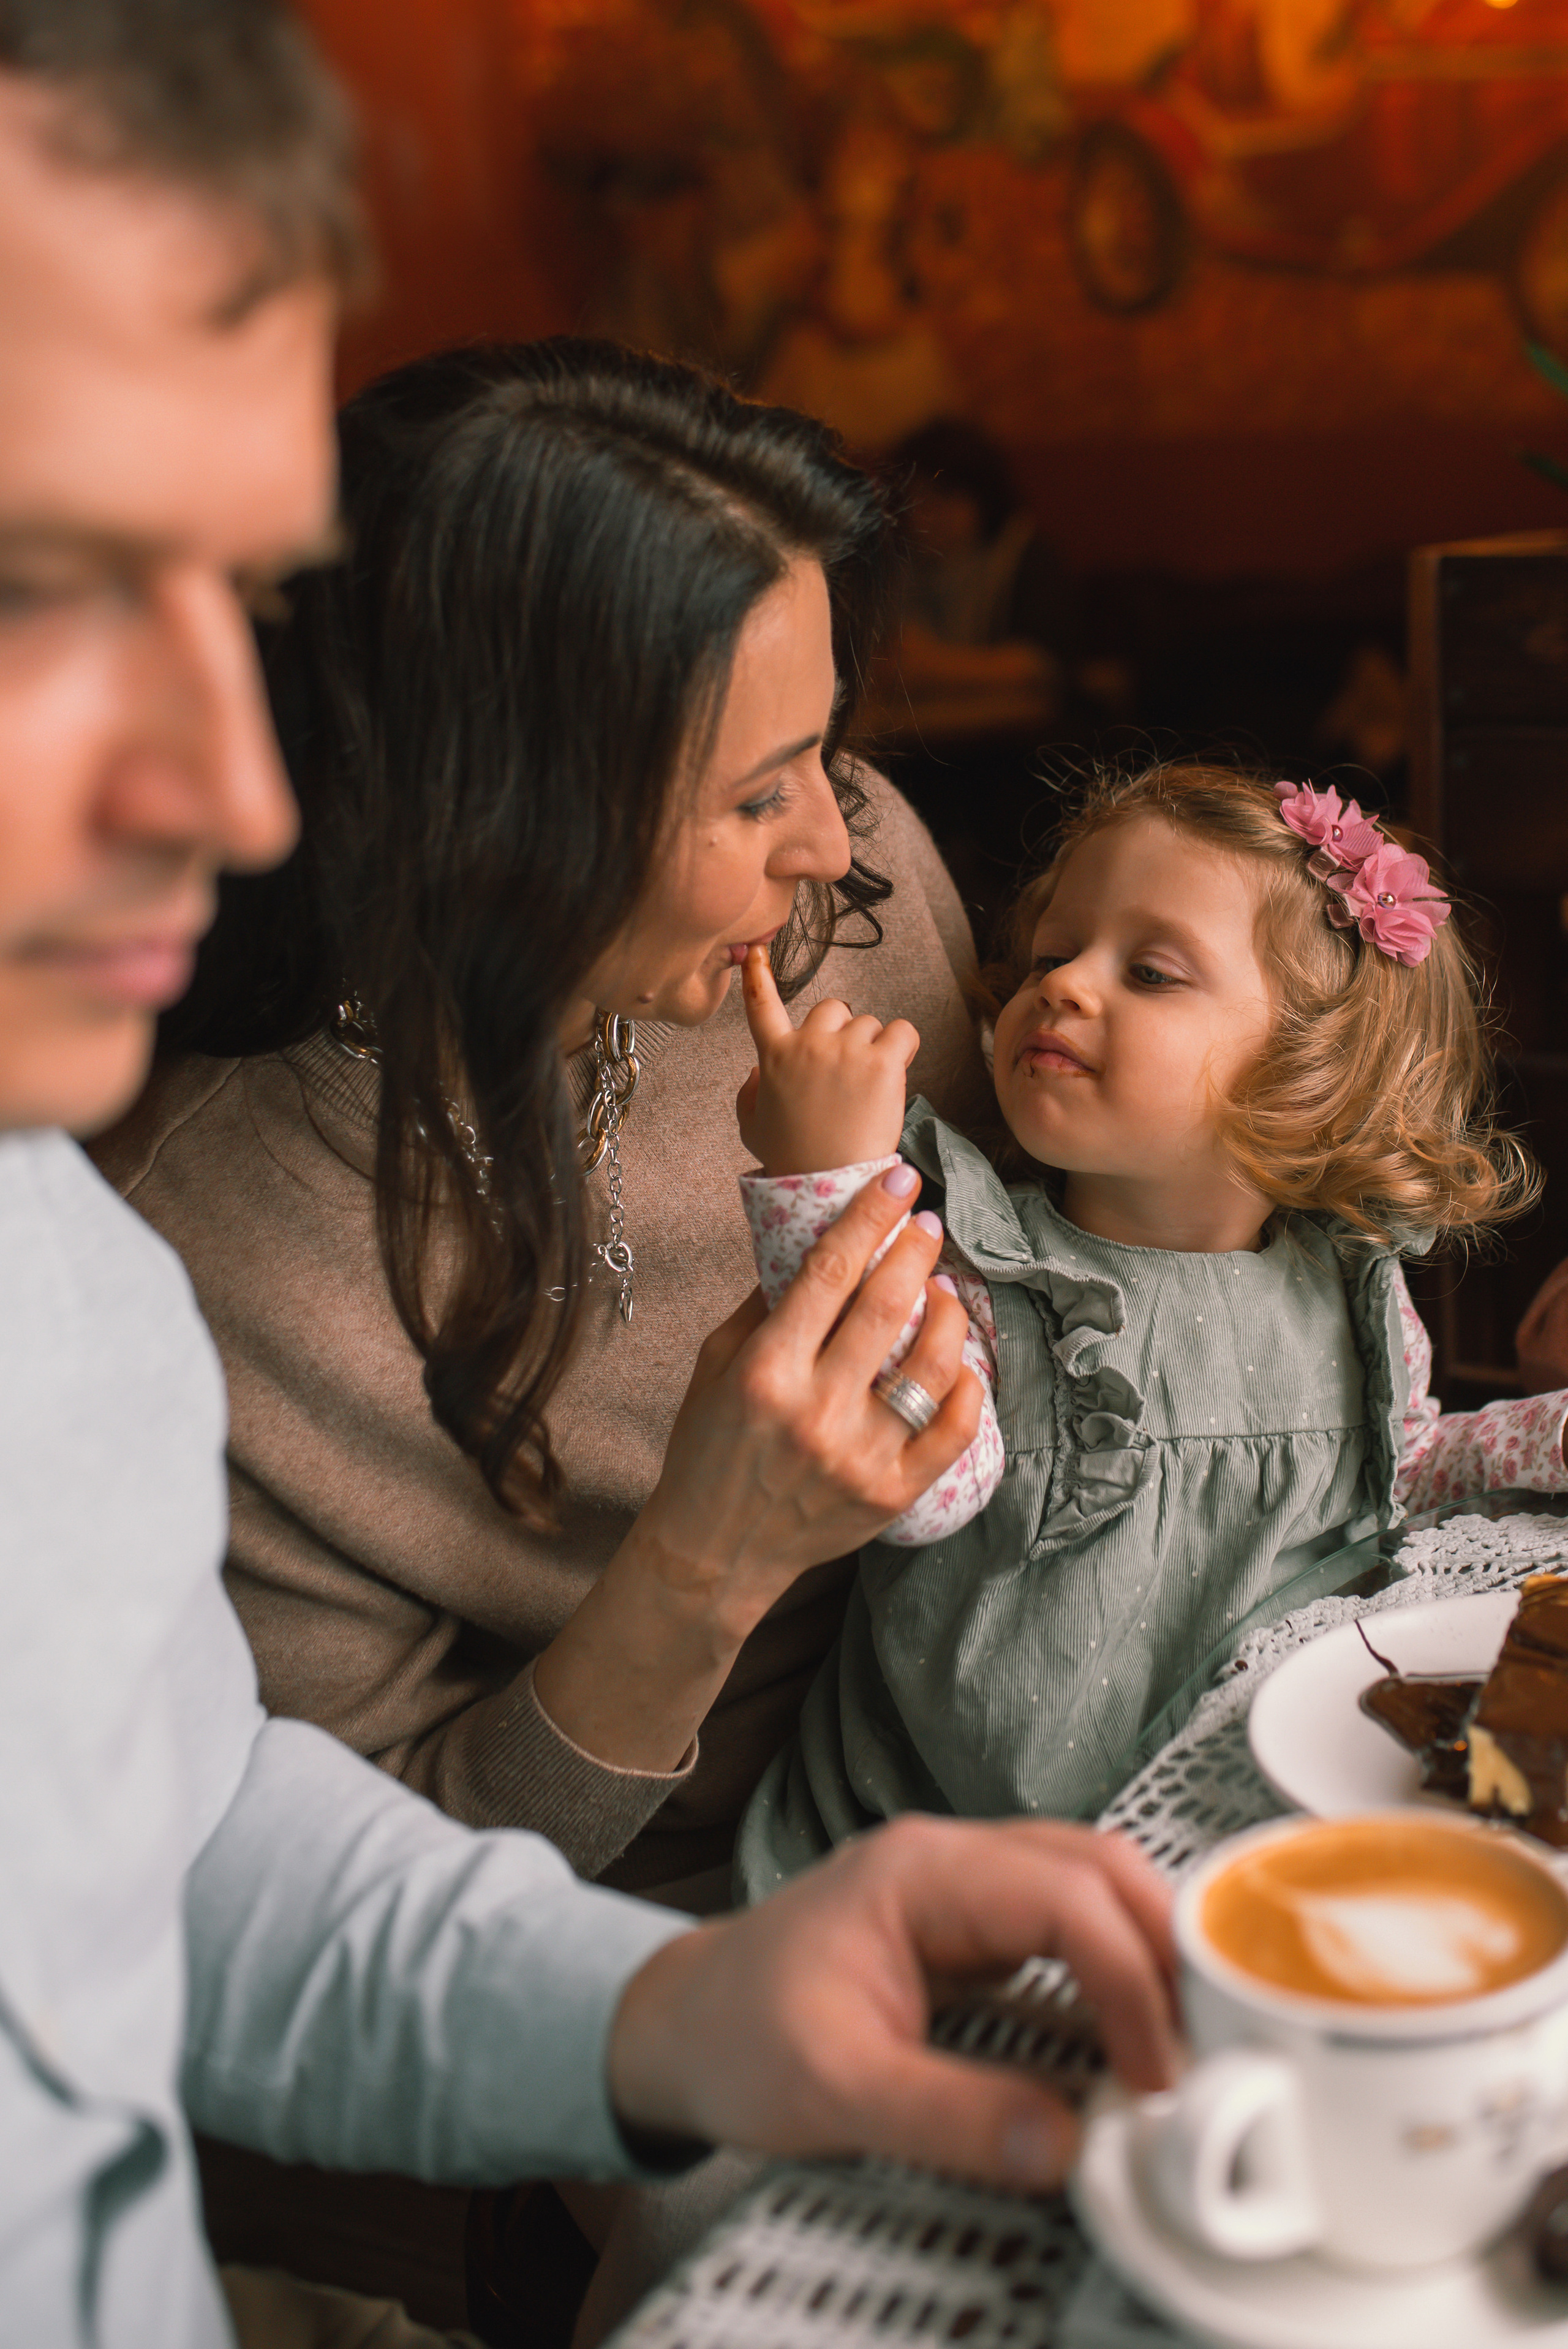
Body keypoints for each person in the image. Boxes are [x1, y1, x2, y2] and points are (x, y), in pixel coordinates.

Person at [0, 4, 1182, 2345]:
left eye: (829, 753)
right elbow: (341, 1849)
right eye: (47, 589)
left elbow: (163, 1838)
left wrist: (678, 2012)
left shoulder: (50, 1281)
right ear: (484, 813)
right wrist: (715, 1551)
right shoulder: (211, 1245)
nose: (831, 846)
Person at [731, 762, 1568, 1897]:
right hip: (957, 1869)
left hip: (1239, 1821)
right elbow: (910, 1476)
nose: (1064, 983)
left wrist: (1547, 1436)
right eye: (1049, 952)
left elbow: (1402, 1466)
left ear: (1309, 1073)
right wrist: (826, 1179)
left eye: (1152, 970)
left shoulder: (1343, 1282)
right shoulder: (973, 1266)